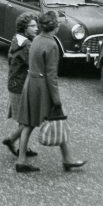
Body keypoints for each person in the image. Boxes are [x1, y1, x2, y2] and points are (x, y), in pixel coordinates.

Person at [15, 10, 86, 173]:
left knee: (28, 124)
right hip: (42, 87)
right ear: (55, 26)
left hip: (30, 83)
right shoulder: (52, 44)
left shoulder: (37, 39)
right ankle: (67, 159)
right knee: (58, 119)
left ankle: (21, 159)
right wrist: (56, 99)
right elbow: (52, 76)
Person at [3, 12, 39, 160]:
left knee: (24, 120)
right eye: (32, 26)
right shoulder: (27, 45)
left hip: (14, 84)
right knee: (28, 121)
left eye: (36, 25)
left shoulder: (16, 39)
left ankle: (20, 146)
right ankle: (12, 140)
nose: (36, 28)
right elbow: (34, 64)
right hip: (21, 86)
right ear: (24, 28)